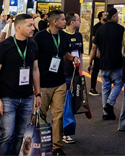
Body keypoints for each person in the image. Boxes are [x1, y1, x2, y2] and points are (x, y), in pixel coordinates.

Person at [0, 14, 41, 156]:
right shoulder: (5, 46)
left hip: (27, 96)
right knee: (7, 135)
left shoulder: (33, 44)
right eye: (29, 25)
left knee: (21, 135)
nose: (33, 28)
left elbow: (35, 69)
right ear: (18, 27)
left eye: (33, 25)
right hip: (8, 97)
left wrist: (38, 93)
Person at [34, 10, 78, 156]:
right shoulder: (40, 37)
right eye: (63, 19)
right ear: (54, 22)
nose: (65, 21)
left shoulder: (63, 36)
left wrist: (72, 58)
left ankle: (56, 147)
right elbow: (34, 60)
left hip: (59, 82)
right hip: (43, 84)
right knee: (40, 115)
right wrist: (35, 86)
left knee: (58, 116)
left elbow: (65, 53)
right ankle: (38, 144)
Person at [87, 7, 124, 120]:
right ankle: (109, 104)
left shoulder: (100, 29)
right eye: (117, 15)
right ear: (114, 16)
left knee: (105, 87)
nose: (118, 17)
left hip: (103, 63)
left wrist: (90, 62)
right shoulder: (120, 29)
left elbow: (94, 47)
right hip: (116, 62)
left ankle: (106, 113)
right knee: (119, 83)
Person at [63, 12, 84, 144]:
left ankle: (65, 131)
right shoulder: (63, 35)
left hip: (76, 74)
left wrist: (81, 71)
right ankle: (66, 132)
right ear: (72, 22)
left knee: (73, 103)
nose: (80, 22)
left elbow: (80, 53)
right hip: (65, 74)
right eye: (78, 20)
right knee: (66, 104)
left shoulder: (79, 35)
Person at [89, 11, 106, 96]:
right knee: (96, 69)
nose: (106, 15)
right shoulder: (96, 27)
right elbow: (93, 39)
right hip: (98, 52)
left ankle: (106, 88)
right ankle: (92, 88)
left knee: (105, 70)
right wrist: (97, 50)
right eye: (105, 15)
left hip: (106, 51)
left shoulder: (107, 26)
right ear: (100, 17)